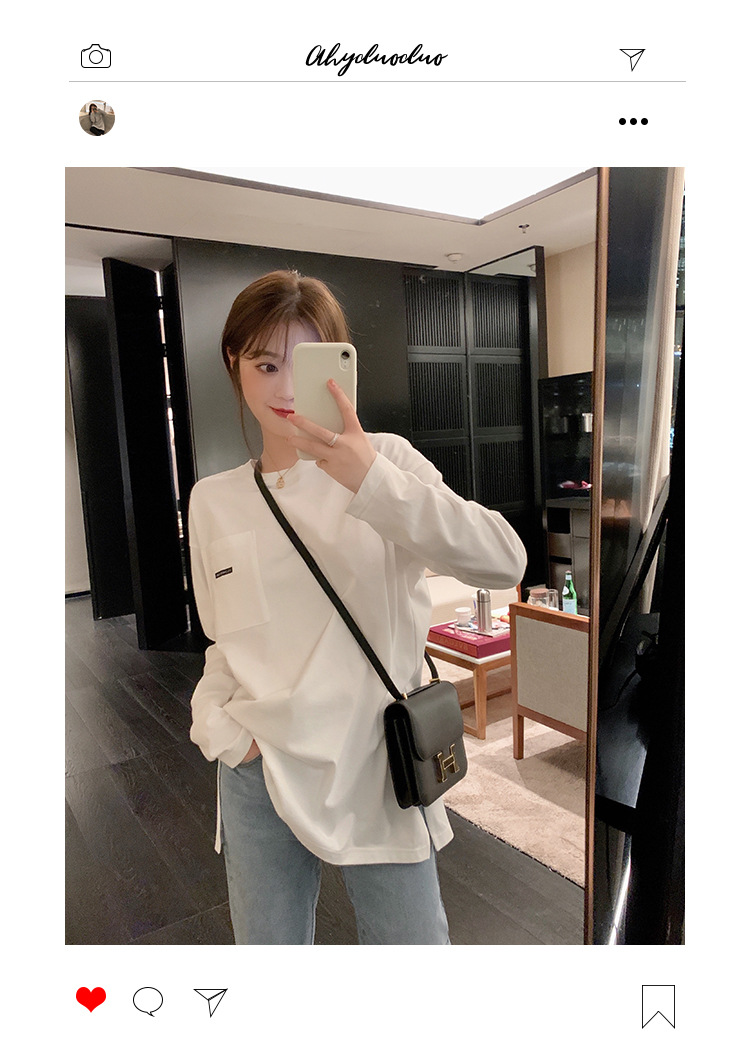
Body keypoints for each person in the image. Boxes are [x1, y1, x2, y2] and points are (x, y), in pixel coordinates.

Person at [188, 270, 527, 944]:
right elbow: (226, 640)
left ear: (340, 366)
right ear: (234, 365)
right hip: (259, 767)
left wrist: (370, 482)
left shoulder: (387, 461)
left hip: (378, 765)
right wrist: (222, 733)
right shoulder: (214, 500)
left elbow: (503, 560)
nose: (287, 388)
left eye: (306, 363)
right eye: (266, 365)